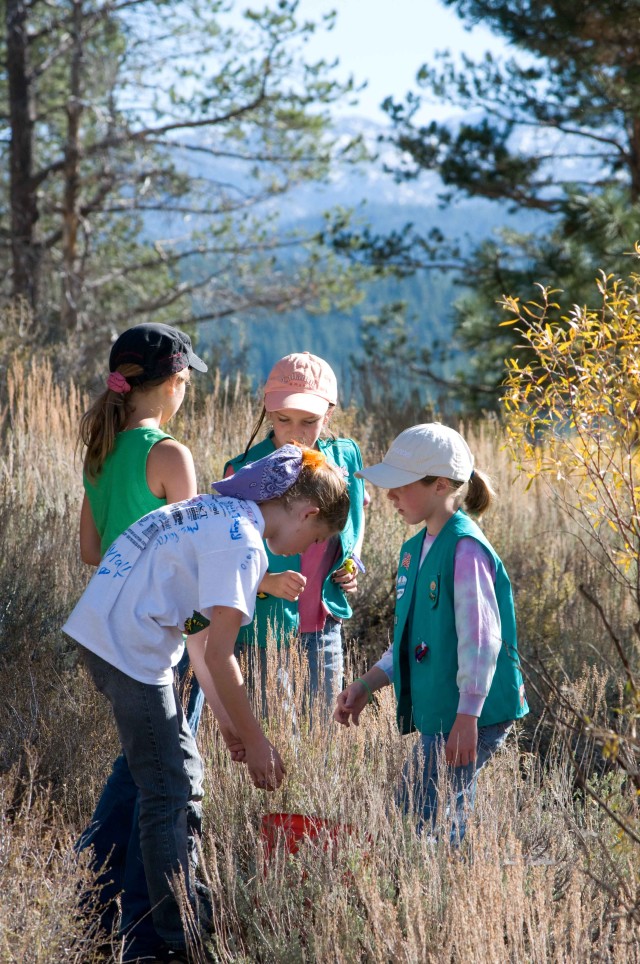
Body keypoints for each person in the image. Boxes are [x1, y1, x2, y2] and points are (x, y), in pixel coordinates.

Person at [64, 444, 350, 961]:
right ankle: (176, 939)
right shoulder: (245, 544)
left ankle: (148, 921)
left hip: (108, 637)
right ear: (308, 513)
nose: (308, 547)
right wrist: (258, 742)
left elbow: (197, 641)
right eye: (318, 537)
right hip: (130, 652)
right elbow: (220, 655)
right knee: (170, 791)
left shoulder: (217, 515)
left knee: (173, 777)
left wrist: (228, 725)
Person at [76, 322, 208, 960]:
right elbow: (199, 554)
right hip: (160, 644)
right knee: (168, 788)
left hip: (107, 638)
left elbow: (90, 550)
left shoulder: (100, 452)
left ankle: (90, 907)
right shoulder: (170, 455)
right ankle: (152, 935)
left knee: (139, 769)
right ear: (175, 382)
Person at [334, 423, 528, 843]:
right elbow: (411, 634)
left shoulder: (466, 548)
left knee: (423, 812)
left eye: (400, 486)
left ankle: (436, 891)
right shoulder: (413, 550)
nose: (389, 495)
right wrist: (368, 683)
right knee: (427, 809)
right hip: (447, 705)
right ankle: (437, 884)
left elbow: (481, 640)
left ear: (440, 485)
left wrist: (467, 716)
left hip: (471, 709)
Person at [223, 351, 367, 711]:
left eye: (310, 421)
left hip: (322, 625)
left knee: (324, 733)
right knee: (271, 728)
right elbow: (221, 557)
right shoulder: (243, 472)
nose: (295, 433)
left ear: (329, 414)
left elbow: (357, 519)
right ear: (268, 411)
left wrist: (352, 561)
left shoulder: (346, 458)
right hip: (262, 632)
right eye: (283, 419)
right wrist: (266, 582)